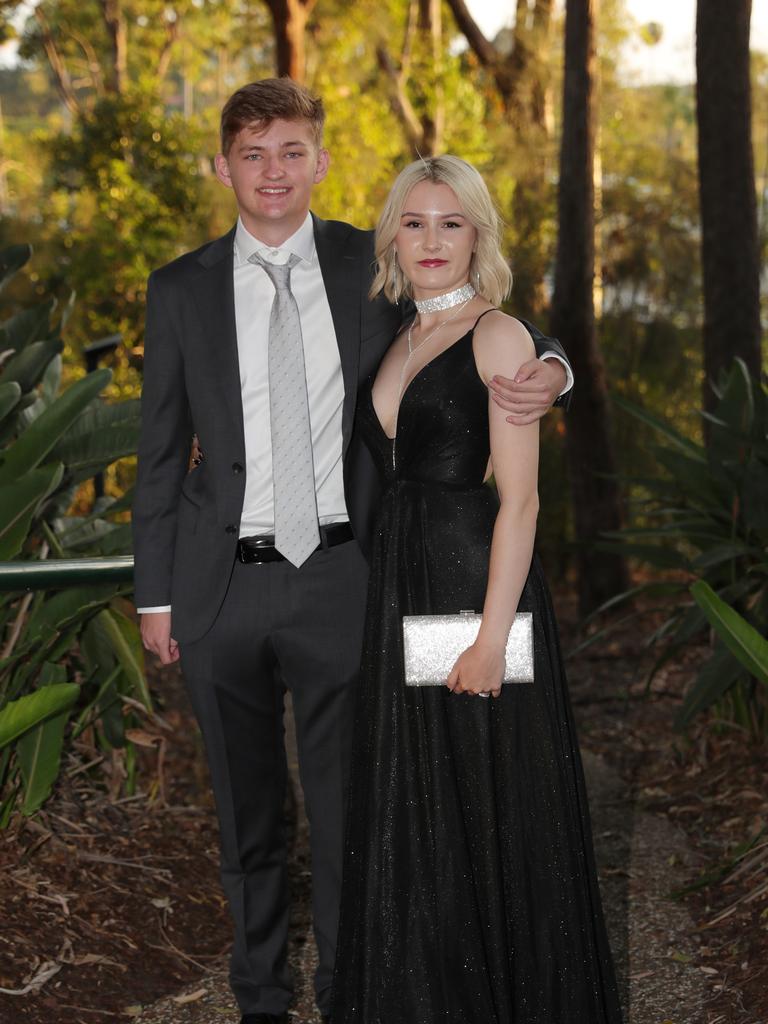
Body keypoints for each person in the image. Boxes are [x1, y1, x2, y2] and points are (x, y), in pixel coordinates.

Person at [132, 80, 573, 1024]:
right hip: (220, 592)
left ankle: (350, 996)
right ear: (224, 168)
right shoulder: (178, 290)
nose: (274, 172)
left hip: (350, 583)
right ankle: (259, 998)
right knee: (247, 820)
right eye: (253, 154)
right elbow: (161, 454)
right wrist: (153, 596)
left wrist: (554, 365)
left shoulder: (361, 267)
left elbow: (479, 328)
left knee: (354, 813)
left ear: (321, 162)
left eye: (292, 151)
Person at [330, 156, 622, 1024]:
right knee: (418, 817)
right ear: (392, 234)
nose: (430, 239)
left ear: (478, 236)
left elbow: (522, 501)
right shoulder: (391, 332)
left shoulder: (498, 336)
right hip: (399, 591)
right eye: (414, 221)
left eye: (450, 222)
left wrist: (492, 639)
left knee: (487, 811)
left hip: (473, 592)